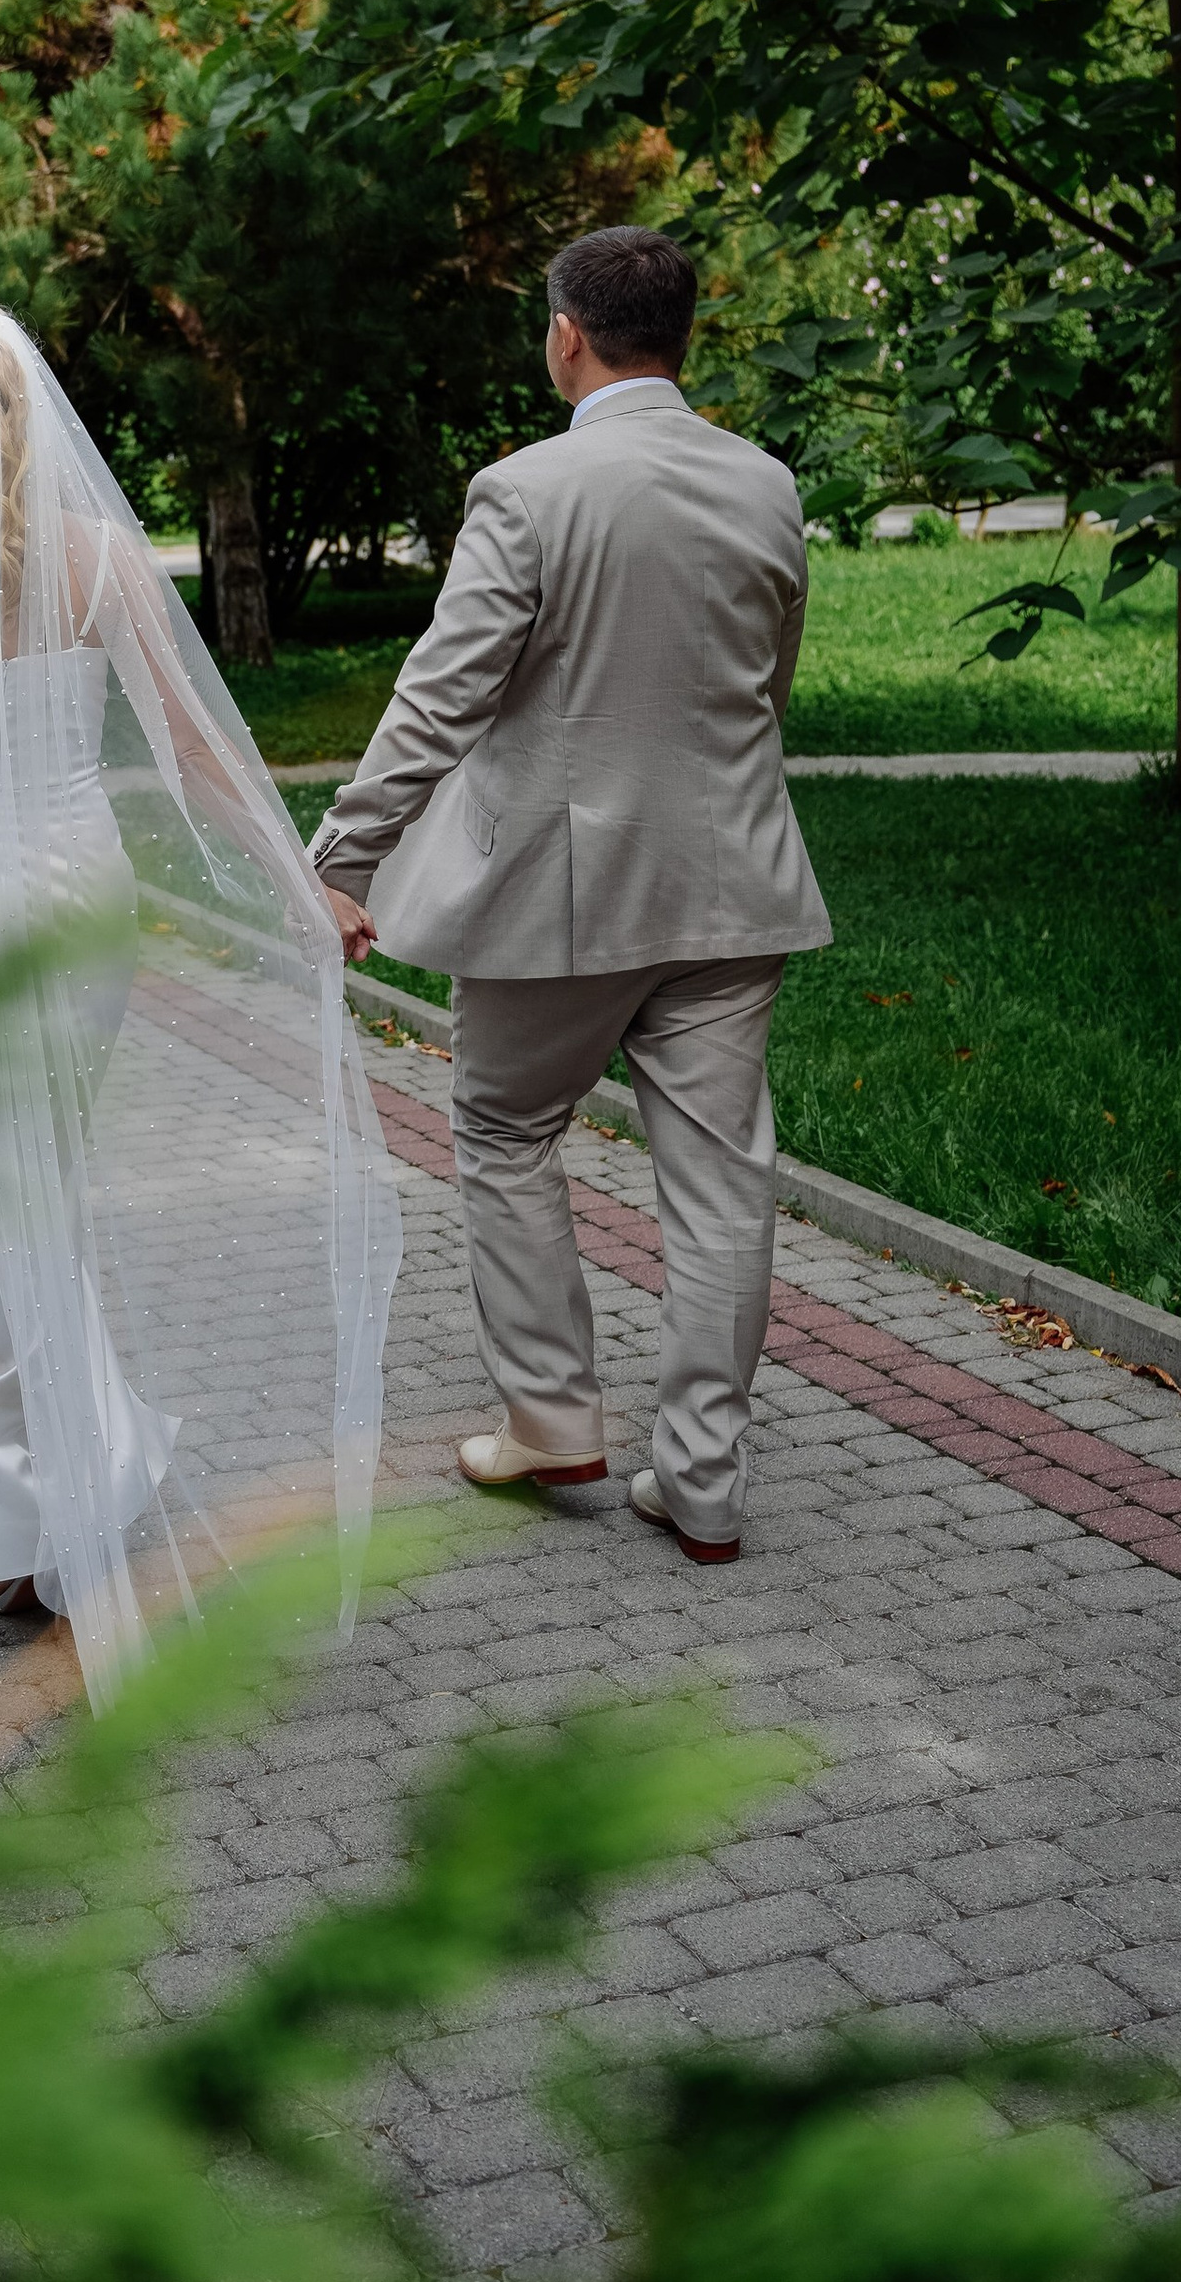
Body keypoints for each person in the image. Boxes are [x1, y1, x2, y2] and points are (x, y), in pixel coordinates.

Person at [0, 296, 402, 1703]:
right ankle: (65, 1495)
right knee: (39, 1193)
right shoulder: (102, 558)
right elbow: (194, 748)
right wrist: (305, 886)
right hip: (77, 899)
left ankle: (28, 1510)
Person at [309, 228, 829, 1565]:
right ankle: (703, 1480)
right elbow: (765, 689)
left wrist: (343, 859)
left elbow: (441, 698)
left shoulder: (528, 491)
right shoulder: (767, 485)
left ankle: (551, 1416)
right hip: (735, 881)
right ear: (685, 337)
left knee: (500, 1124)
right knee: (723, 1188)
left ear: (565, 335)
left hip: (568, 901)